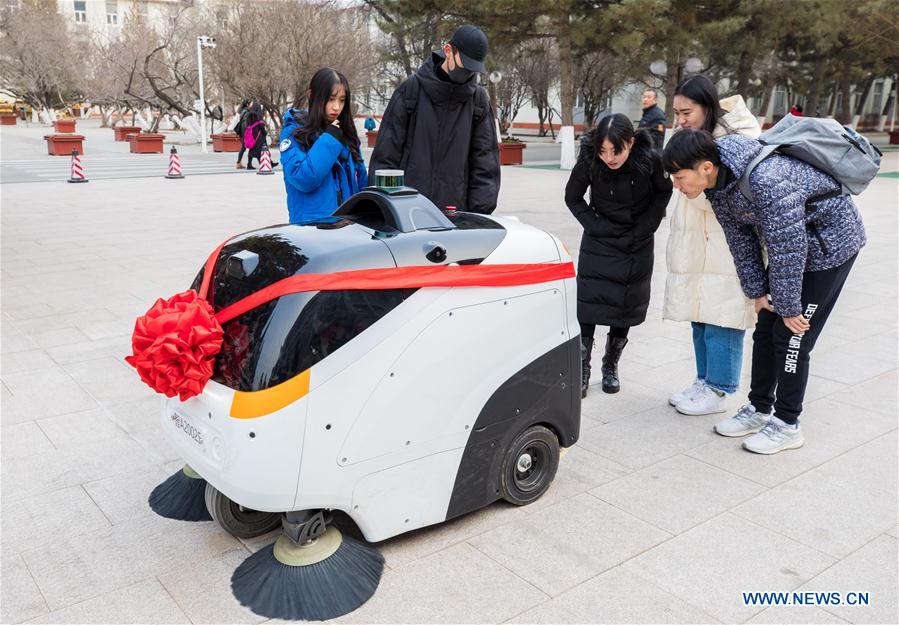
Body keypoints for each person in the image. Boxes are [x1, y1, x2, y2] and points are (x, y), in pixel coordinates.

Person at [662, 128, 864, 454]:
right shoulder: (719, 186)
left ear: (705, 168)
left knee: (791, 335)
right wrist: (758, 292)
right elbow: (741, 241)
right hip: (796, 246)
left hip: (830, 246)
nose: (676, 184)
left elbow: (788, 247)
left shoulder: (766, 180)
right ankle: (758, 410)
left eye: (679, 176)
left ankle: (787, 424)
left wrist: (790, 306)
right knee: (766, 326)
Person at [664, 74, 761, 417]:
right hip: (696, 239)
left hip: (727, 244)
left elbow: (731, 192)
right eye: (677, 112)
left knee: (723, 314)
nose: (681, 119)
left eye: (686, 111)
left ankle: (720, 388)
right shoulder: (691, 136)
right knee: (699, 314)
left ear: (707, 106)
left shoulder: (738, 136)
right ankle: (703, 380)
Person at [565, 114, 672, 396]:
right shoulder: (590, 160)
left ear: (631, 143)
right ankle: (582, 367)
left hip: (635, 242)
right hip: (599, 241)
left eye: (616, 151)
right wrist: (596, 225)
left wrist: (646, 228)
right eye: (603, 151)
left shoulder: (650, 160)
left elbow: (664, 191)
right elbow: (572, 197)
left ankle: (610, 365)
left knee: (625, 306)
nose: (609, 158)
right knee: (587, 305)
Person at [368, 24, 500, 214]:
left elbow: (485, 168)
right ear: (448, 50)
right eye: (465, 65)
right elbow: (385, 158)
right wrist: (384, 210)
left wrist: (477, 216)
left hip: (456, 219)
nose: (468, 73)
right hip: (406, 215)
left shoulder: (478, 102)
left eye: (473, 68)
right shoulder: (410, 91)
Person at [279, 68, 368, 224]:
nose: (336, 107)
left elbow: (362, 186)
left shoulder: (346, 135)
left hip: (348, 229)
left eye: (342, 100)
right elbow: (302, 178)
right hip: (312, 231)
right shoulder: (294, 133)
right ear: (312, 96)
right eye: (331, 99)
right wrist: (330, 139)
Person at [243, 104, 269, 170]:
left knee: (252, 150)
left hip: (252, 135)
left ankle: (249, 164)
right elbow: (261, 126)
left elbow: (246, 124)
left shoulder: (249, 114)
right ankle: (262, 164)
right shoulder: (258, 115)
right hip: (258, 136)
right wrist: (265, 133)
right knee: (259, 150)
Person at [234, 99, 250, 169]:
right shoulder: (246, 111)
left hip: (242, 132)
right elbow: (245, 124)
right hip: (245, 132)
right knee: (244, 147)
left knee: (243, 148)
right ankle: (239, 163)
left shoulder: (241, 111)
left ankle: (239, 163)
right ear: (247, 104)